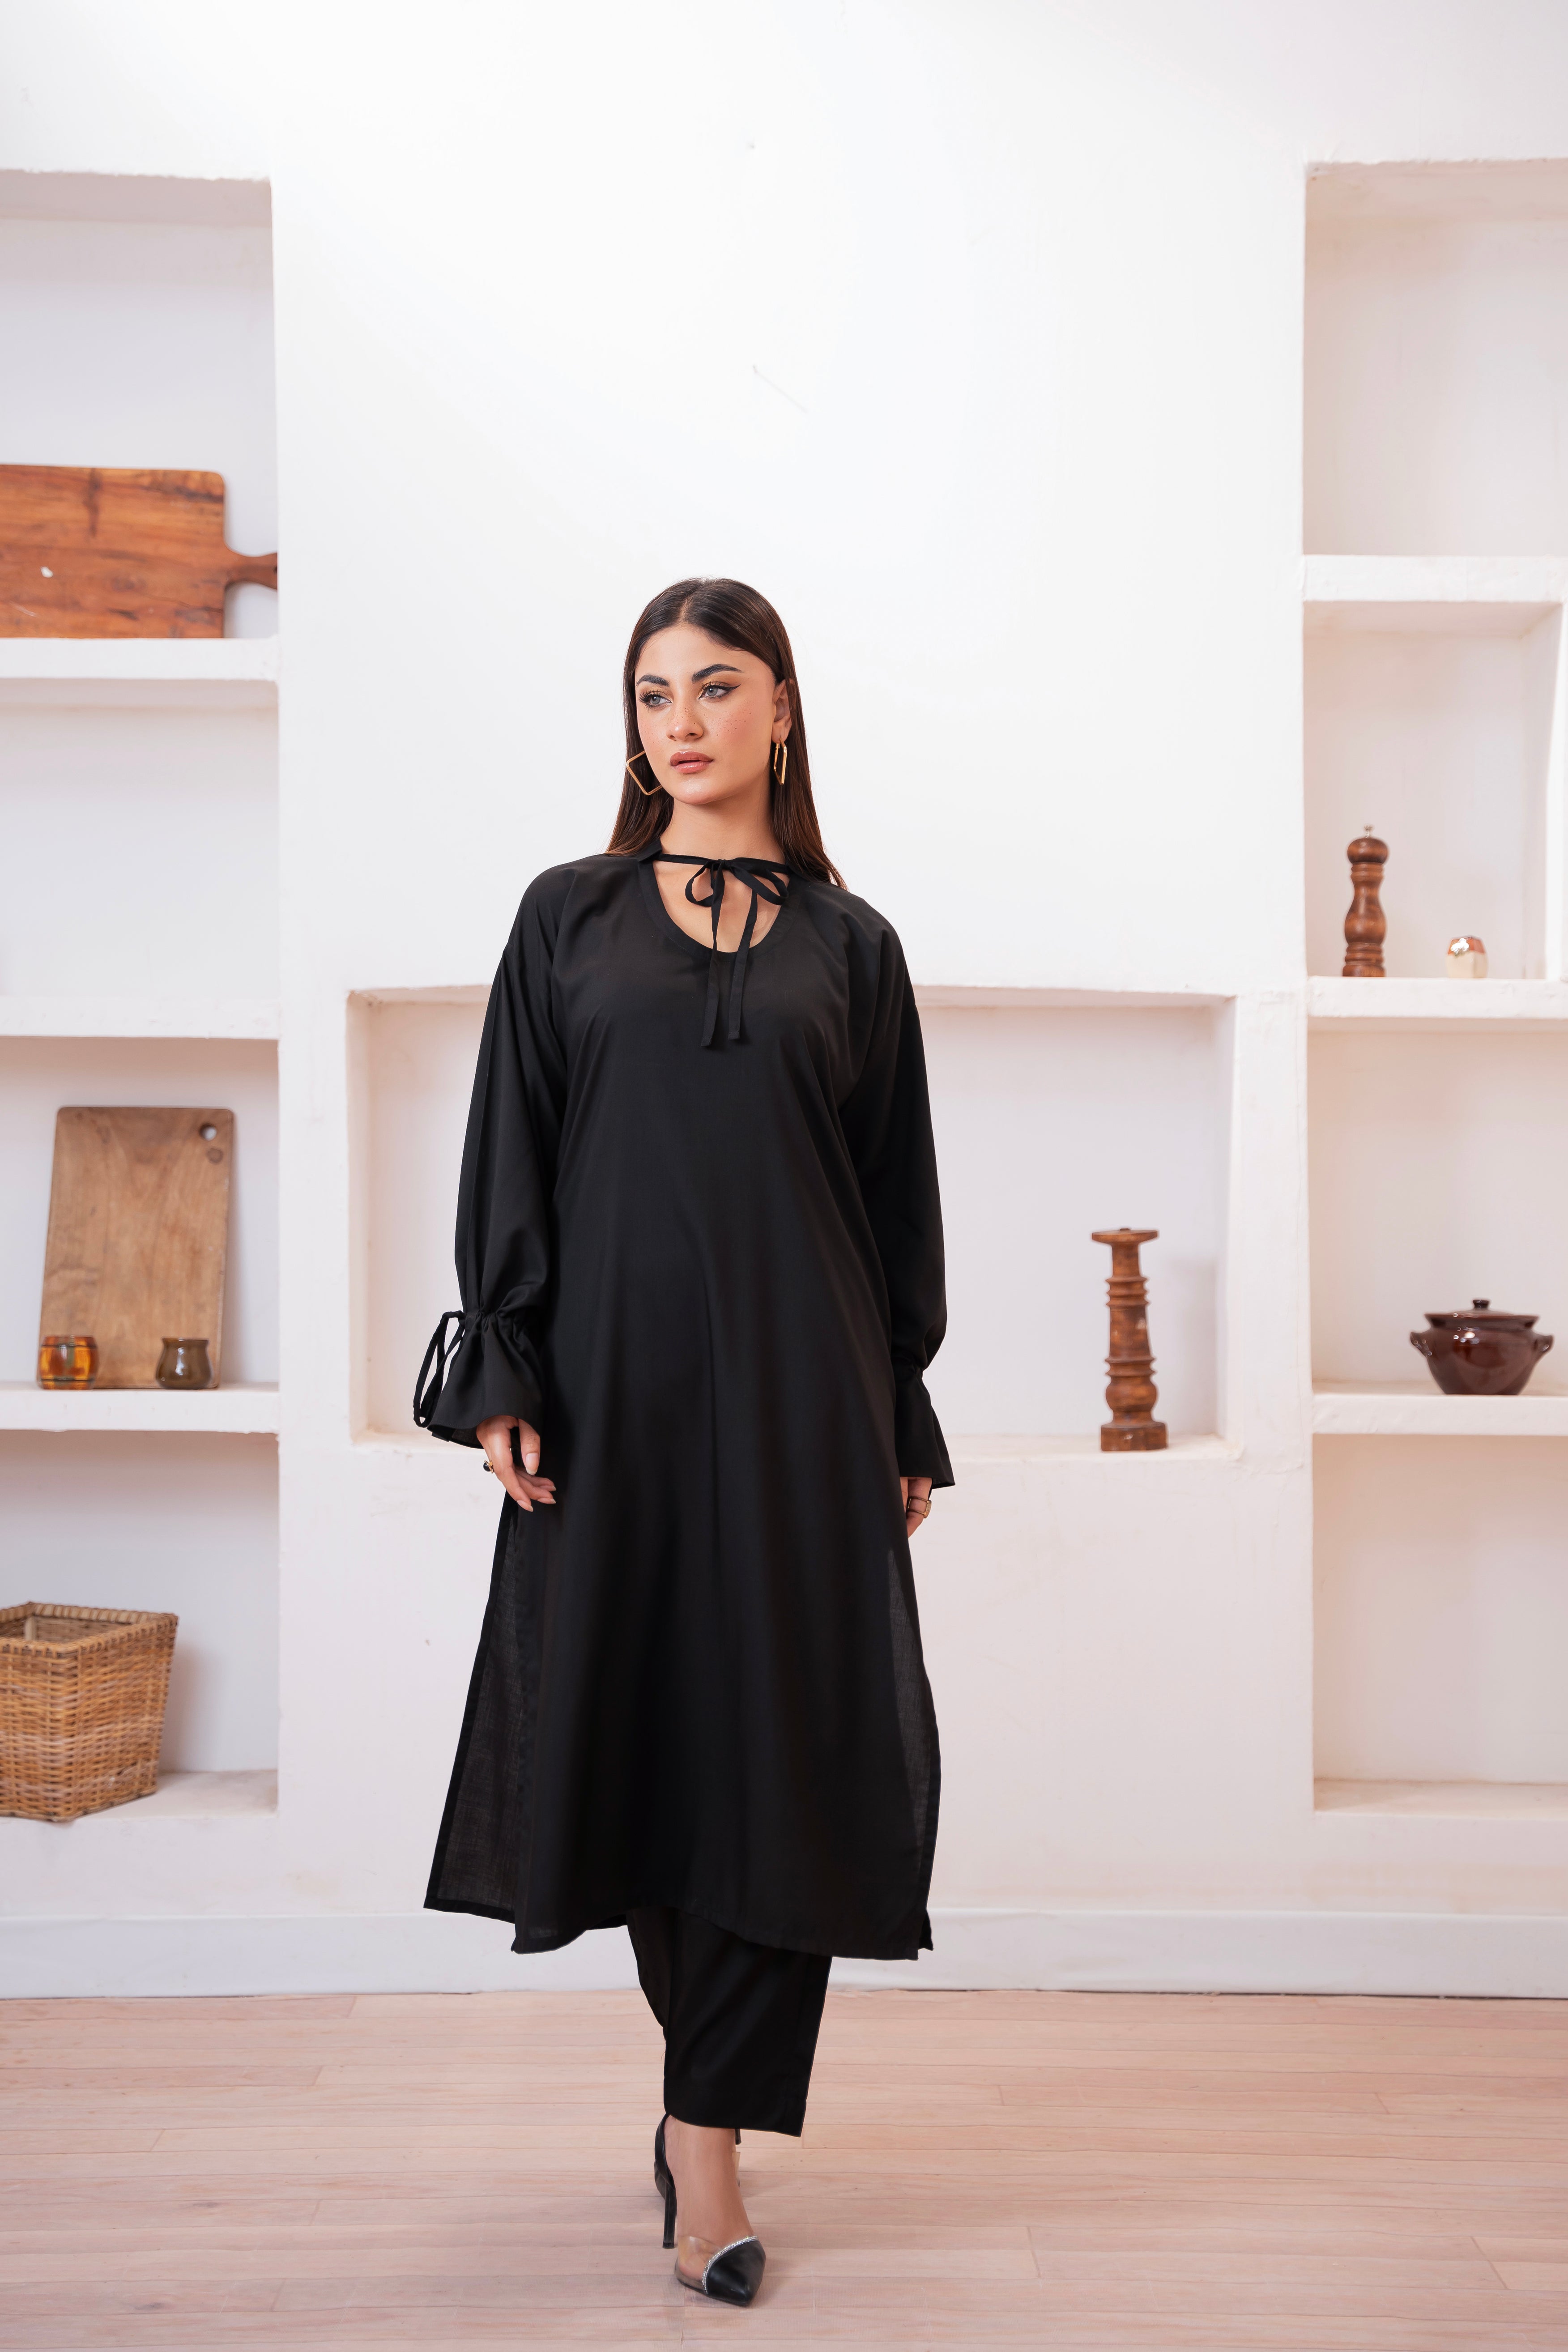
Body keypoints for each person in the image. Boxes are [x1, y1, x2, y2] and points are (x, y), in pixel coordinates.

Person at [415, 576, 951, 2307]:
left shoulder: (854, 948)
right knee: (646, 1743)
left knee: (792, 1751)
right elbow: (511, 1146)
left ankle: (702, 2140)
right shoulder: (565, 917)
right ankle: (702, 2124)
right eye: (654, 695)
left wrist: (902, 1408)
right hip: (614, 1395)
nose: (683, 723)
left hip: (807, 1397)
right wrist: (505, 1364)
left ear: (780, 707)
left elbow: (893, 1201)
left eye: (716, 688)